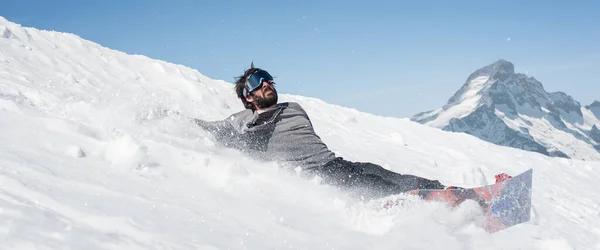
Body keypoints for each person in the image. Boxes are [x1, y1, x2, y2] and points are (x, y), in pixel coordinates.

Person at [193, 65, 451, 199]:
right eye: (257, 82)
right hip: (318, 175)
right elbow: (216, 131)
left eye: (268, 78)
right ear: (248, 97)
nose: (266, 84)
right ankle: (429, 205)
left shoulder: (293, 107)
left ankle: (452, 192)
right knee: (379, 186)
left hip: (334, 163)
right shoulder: (245, 121)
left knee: (393, 175)